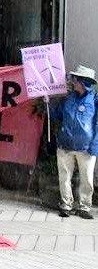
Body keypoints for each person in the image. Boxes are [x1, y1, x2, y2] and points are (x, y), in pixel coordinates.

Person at [50, 64, 98, 219]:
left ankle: (84, 207)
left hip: (86, 147)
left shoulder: (95, 101)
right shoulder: (68, 98)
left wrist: (95, 145)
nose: (73, 81)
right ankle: (66, 204)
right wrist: (49, 102)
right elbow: (57, 115)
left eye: (76, 79)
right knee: (64, 176)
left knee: (87, 178)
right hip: (65, 145)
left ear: (83, 82)